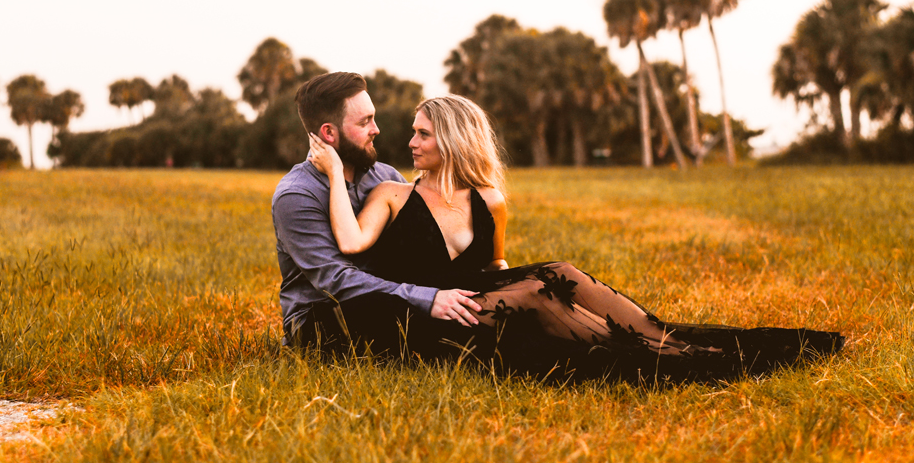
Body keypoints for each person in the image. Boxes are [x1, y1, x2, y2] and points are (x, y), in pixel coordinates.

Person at [304, 92, 846, 384]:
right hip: (426, 318)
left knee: (559, 273)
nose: (410, 140)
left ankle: (671, 340)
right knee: (537, 294)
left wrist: (523, 280)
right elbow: (350, 246)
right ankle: (678, 363)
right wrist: (331, 174)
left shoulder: (489, 200)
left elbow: (493, 267)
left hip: (474, 298)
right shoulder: (394, 195)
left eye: (422, 133)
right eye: (414, 132)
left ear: (451, 140)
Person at [272, 72, 486, 354]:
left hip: (395, 301)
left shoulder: (385, 178)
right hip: (324, 316)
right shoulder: (297, 195)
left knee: (477, 311)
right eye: (364, 122)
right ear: (329, 133)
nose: (376, 129)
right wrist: (428, 298)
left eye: (373, 117)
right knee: (444, 326)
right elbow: (337, 281)